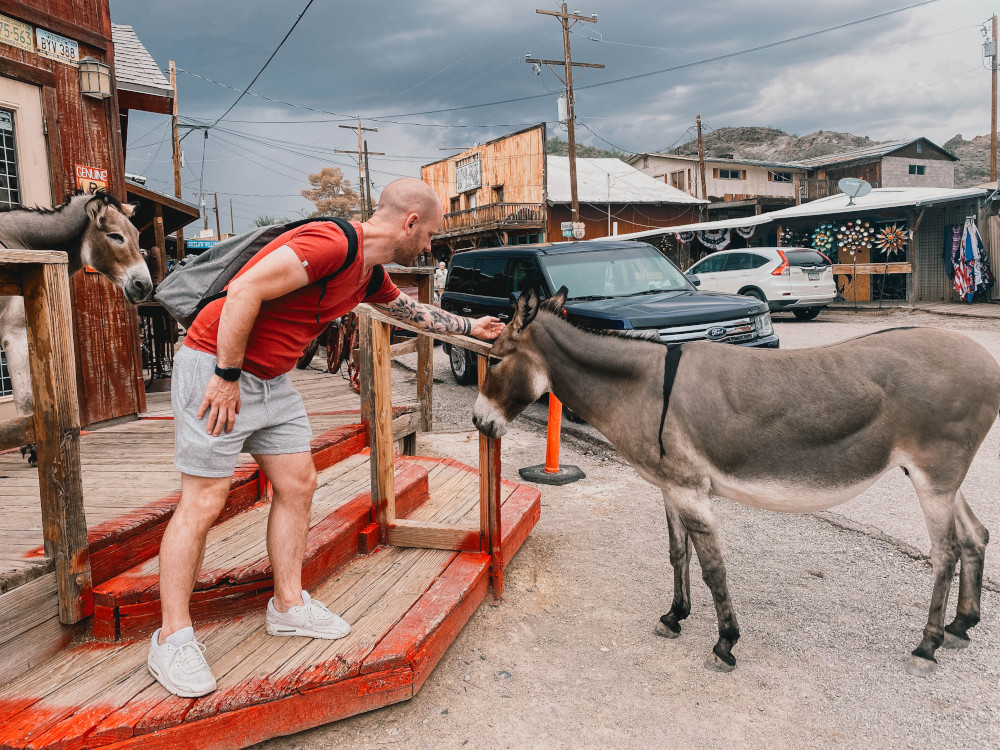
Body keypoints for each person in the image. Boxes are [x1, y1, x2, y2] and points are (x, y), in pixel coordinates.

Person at [147, 178, 504, 698]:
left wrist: (472, 329)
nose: (429, 246)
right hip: (216, 367)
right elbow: (245, 289)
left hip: (271, 379)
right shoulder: (331, 243)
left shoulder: (368, 274)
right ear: (409, 223)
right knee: (204, 501)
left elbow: (408, 312)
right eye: (428, 235)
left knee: (298, 483)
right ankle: (172, 638)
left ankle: (288, 606)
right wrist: (225, 377)